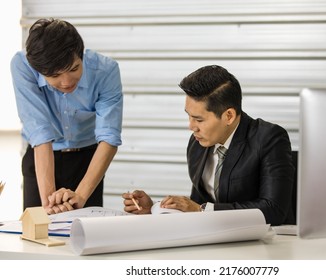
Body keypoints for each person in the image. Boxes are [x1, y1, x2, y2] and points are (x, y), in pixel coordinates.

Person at [122, 65, 295, 225]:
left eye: (198, 119)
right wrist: (154, 209)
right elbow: (195, 207)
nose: (191, 126)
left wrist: (201, 209)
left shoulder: (270, 138)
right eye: (189, 116)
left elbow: (274, 210)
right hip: (217, 238)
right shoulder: (198, 142)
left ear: (228, 116)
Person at [11, 18, 123, 214]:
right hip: (41, 157)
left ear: (81, 55)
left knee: (86, 233)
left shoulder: (106, 71)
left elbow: (109, 137)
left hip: (87, 160)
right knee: (39, 233)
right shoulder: (23, 65)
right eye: (54, 75)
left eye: (73, 69)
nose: (66, 82)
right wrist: (50, 205)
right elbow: (40, 131)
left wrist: (80, 196)